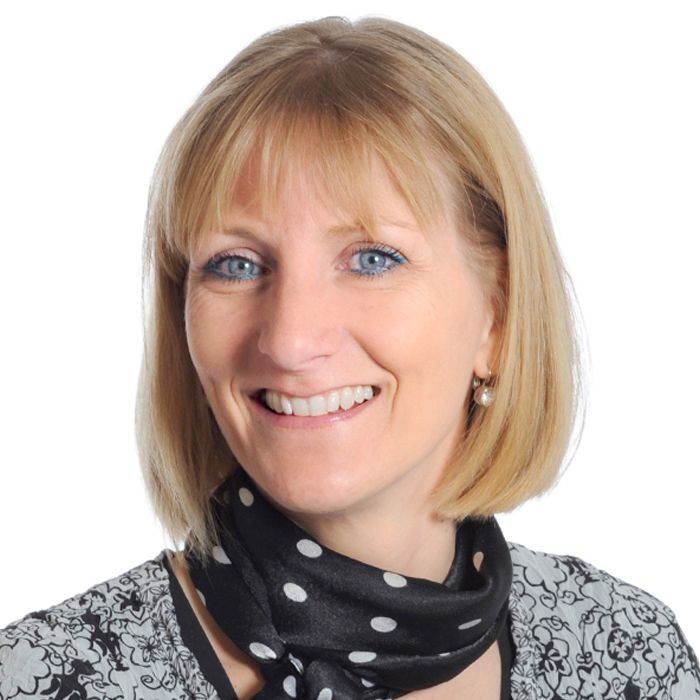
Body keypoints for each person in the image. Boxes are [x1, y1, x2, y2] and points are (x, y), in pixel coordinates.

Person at [0, 16, 698, 700]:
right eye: (236, 264)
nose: (290, 338)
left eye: (372, 259)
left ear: (500, 316)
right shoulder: (49, 680)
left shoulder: (627, 655)